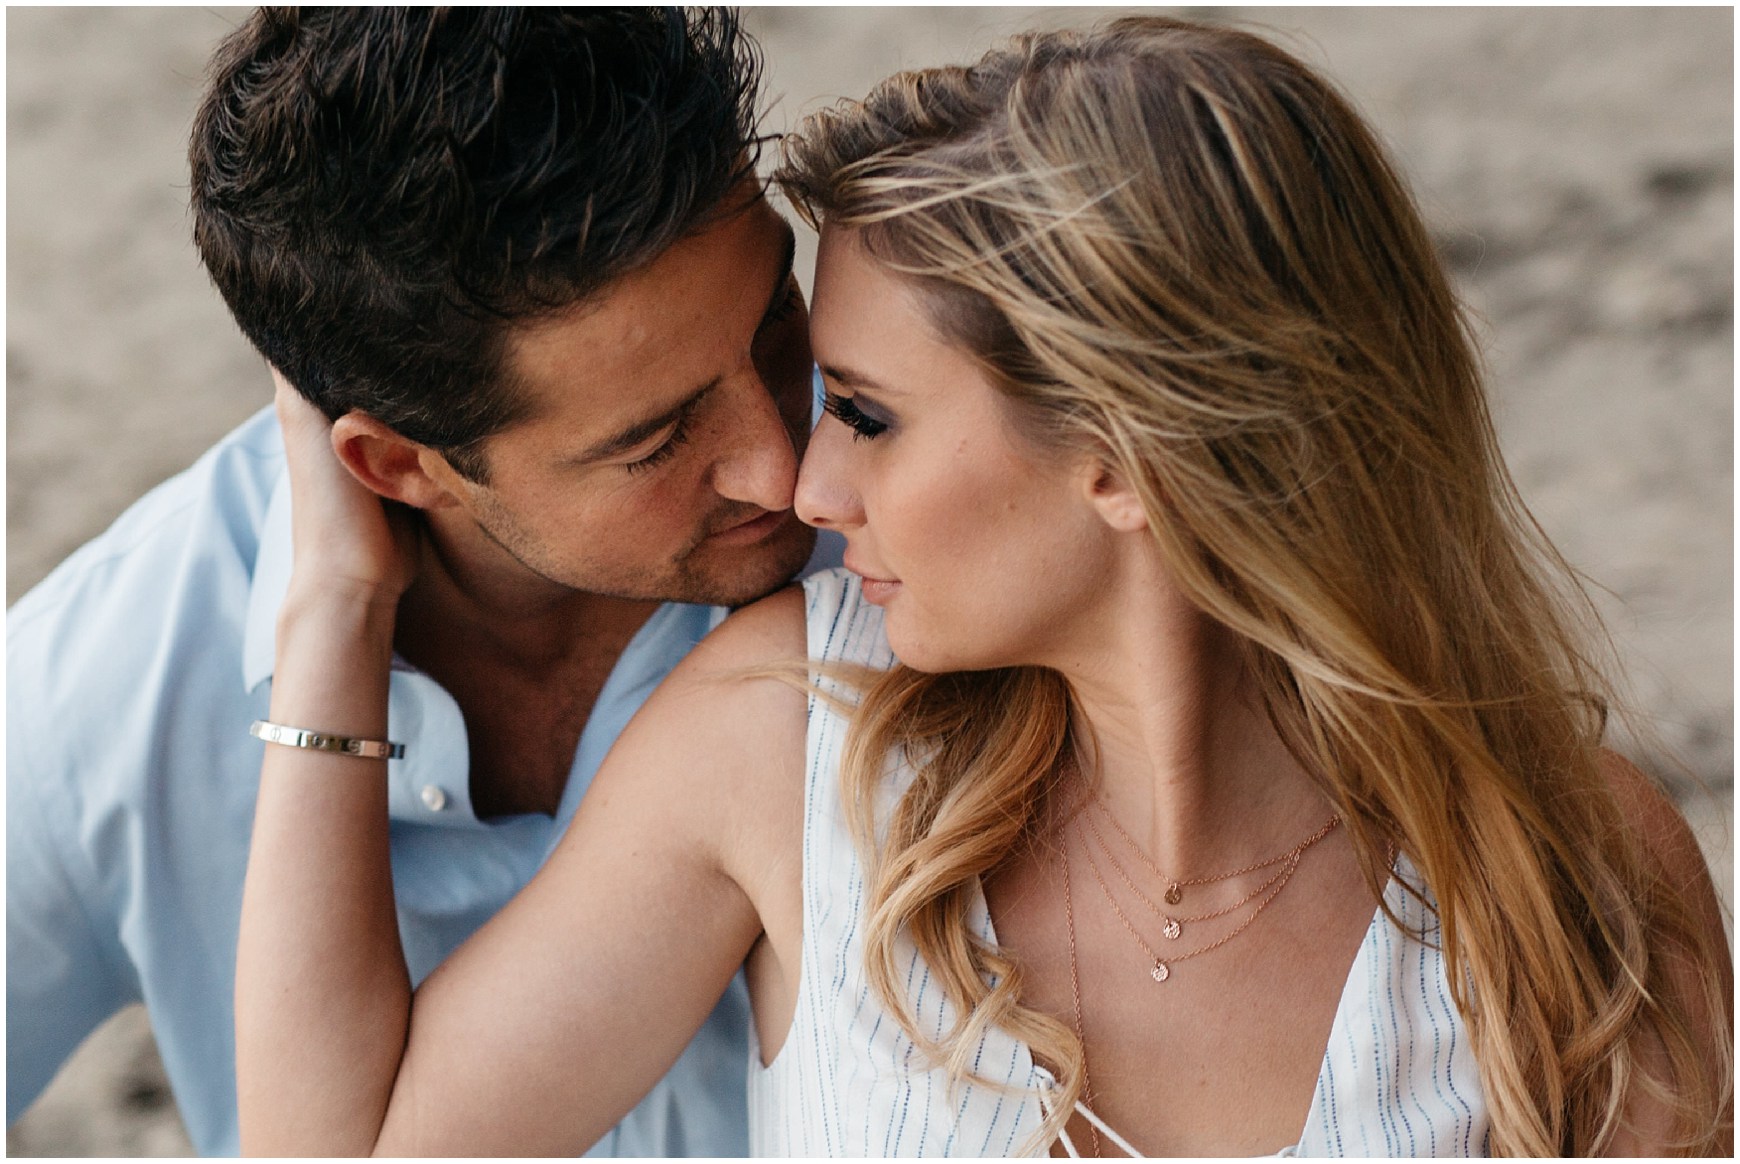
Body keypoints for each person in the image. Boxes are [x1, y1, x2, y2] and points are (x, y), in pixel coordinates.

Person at [235, 16, 1733, 1157]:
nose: (807, 490)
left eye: (866, 415)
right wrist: (333, 611)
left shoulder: (1578, 880)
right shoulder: (787, 741)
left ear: (1130, 458)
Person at [7, 7, 839, 1156]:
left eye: (777, 321)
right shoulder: (99, 693)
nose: (789, 463)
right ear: (397, 466)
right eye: (655, 442)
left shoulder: (921, 541)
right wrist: (334, 618)